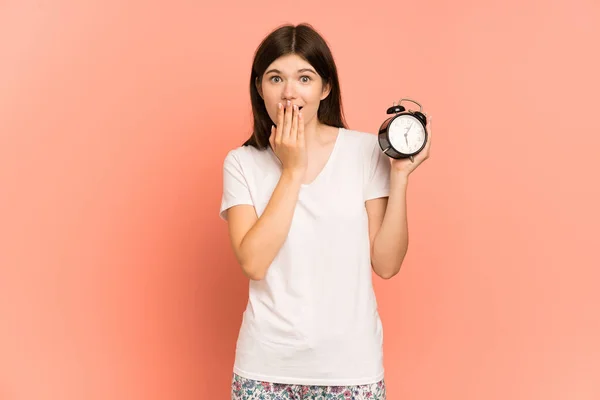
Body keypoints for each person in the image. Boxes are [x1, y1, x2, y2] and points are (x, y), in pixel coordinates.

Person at [219, 22, 431, 400]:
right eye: (275, 78)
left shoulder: (365, 152)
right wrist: (293, 169)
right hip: (266, 368)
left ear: (325, 87)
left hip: (351, 368)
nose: (289, 92)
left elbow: (386, 264)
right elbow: (253, 262)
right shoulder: (242, 162)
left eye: (304, 78)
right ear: (258, 87)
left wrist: (399, 177)